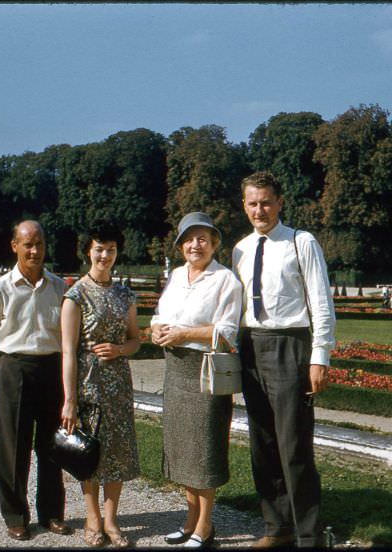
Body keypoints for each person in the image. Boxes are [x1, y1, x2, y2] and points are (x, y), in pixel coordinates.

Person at [232, 172, 336, 548]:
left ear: (279, 203)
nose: (259, 210)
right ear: (244, 205)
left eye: (265, 202)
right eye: (252, 203)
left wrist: (319, 355)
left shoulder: (300, 242)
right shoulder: (240, 249)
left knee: (294, 446)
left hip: (290, 346)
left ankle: (309, 534)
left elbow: (321, 301)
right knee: (262, 444)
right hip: (251, 347)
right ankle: (277, 527)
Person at [0, 220, 71, 541]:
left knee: (52, 446)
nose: (34, 250)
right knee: (14, 446)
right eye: (28, 244)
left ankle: (52, 513)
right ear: (14, 246)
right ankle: (15, 515)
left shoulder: (59, 288)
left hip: (52, 369)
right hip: (15, 368)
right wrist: (11, 360)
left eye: (39, 244)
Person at [151, 212, 243, 549]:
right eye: (189, 239)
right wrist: (156, 328)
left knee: (204, 450)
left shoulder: (226, 280)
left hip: (205, 373)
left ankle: (205, 528)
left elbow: (227, 332)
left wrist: (185, 333)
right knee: (184, 450)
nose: (196, 245)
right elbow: (161, 315)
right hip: (175, 371)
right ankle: (189, 521)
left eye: (203, 238)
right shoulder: (176, 276)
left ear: (215, 243)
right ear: (180, 246)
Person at [60, 221, 141, 548]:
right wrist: (69, 400)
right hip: (88, 385)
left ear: (117, 251)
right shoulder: (76, 295)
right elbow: (67, 351)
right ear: (87, 252)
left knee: (118, 453)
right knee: (89, 454)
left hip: (119, 385)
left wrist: (120, 349)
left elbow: (136, 340)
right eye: (98, 249)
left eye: (110, 249)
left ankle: (111, 520)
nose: (105, 255)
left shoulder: (125, 294)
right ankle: (92, 518)